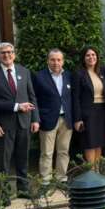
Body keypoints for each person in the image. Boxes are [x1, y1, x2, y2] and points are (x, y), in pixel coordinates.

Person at [0, 42, 39, 198]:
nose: (6, 55)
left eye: (9, 52)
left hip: (24, 123)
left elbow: (32, 96)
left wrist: (35, 119)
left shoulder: (24, 71)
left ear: (14, 54)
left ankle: (23, 189)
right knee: (4, 162)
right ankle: (4, 194)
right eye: (3, 53)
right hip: (3, 125)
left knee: (23, 158)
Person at [32, 49, 73, 183]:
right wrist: (36, 118)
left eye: (59, 60)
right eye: (53, 59)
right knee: (47, 152)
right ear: (48, 61)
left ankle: (61, 178)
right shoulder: (39, 76)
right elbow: (34, 99)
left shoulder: (68, 75)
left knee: (63, 151)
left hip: (66, 119)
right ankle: (45, 180)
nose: (56, 63)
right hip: (47, 119)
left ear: (63, 61)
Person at [72, 46, 105, 168]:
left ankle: (97, 171)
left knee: (99, 142)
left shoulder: (102, 71)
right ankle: (91, 172)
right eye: (88, 55)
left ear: (97, 57)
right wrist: (77, 118)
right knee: (89, 143)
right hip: (87, 114)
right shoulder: (78, 73)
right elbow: (75, 98)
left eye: (93, 55)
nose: (91, 57)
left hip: (101, 111)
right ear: (83, 58)